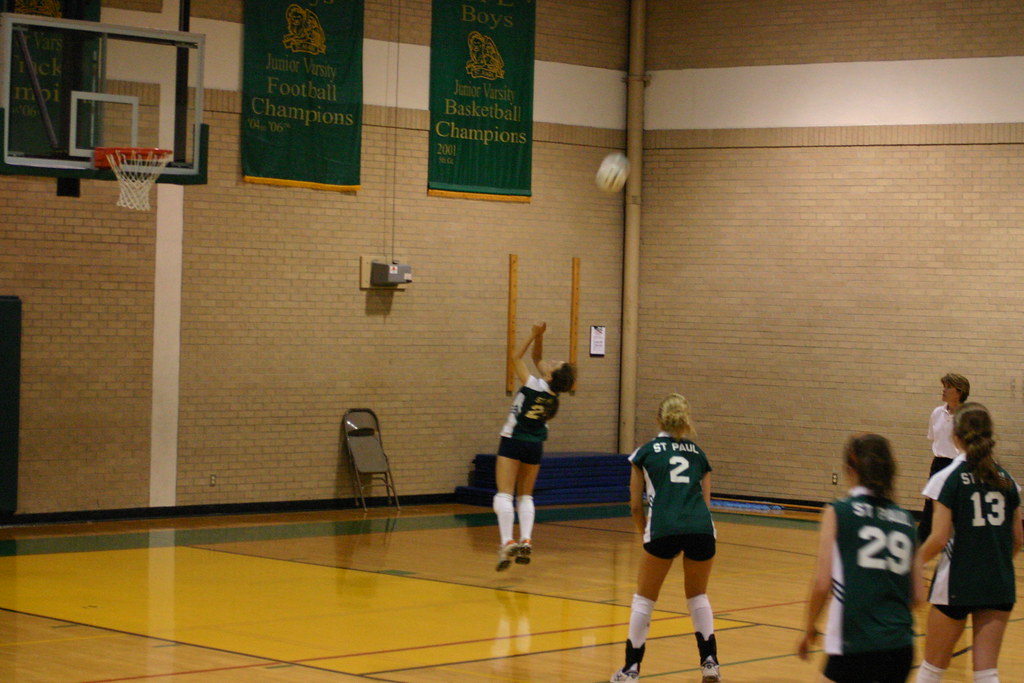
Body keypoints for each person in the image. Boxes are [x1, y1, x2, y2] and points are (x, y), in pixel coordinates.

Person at [610, 393, 720, 683]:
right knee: (698, 596)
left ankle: (631, 669)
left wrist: (643, 530)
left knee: (644, 599)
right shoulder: (698, 454)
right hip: (701, 528)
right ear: (686, 420)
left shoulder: (645, 452)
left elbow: (635, 504)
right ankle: (710, 662)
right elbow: (706, 504)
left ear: (658, 419)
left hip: (664, 527)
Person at [797, 434, 921, 683]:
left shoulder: (839, 512)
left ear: (850, 469)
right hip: (900, 647)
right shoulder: (906, 519)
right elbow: (918, 596)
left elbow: (822, 584)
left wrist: (809, 627)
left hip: (855, 642)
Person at [913, 403, 1022, 683]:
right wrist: (992, 561)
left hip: (957, 582)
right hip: (998, 581)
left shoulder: (947, 478)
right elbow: (1018, 538)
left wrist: (912, 565)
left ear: (956, 436)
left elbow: (937, 538)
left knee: (932, 669)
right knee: (986, 672)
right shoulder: (1006, 480)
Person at [493, 322, 576, 571]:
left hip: (513, 440)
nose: (550, 362)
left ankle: (507, 540)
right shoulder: (553, 394)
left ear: (549, 376)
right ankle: (526, 539)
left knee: (504, 494)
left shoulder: (531, 384)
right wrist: (540, 337)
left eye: (554, 364)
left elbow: (516, 357)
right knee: (526, 495)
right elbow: (537, 356)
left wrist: (530, 334)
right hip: (535, 445)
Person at [919, 373, 970, 541]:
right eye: (944, 386)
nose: (944, 390)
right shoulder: (937, 413)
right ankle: (920, 545)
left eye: (948, 387)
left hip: (961, 464)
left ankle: (960, 544)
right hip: (940, 463)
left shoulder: (968, 415)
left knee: (960, 506)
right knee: (930, 505)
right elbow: (935, 438)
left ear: (959, 391)